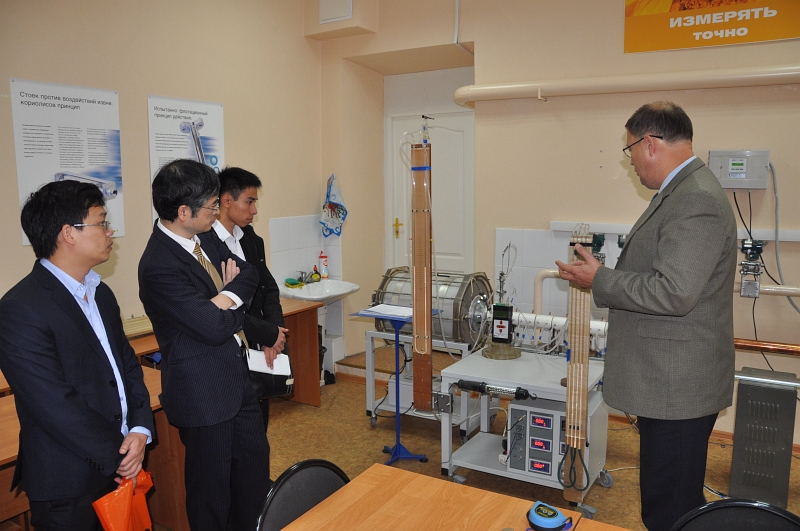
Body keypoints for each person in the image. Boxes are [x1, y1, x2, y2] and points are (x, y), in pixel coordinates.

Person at [556, 101, 737, 531]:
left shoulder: (695, 199)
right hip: (669, 383)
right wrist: (602, 277)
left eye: (630, 150)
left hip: (678, 388)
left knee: (669, 509)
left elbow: (673, 292)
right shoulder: (680, 192)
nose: (631, 161)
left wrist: (601, 279)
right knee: (672, 499)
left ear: (650, 144)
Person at [0, 180, 154, 531]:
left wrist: (140, 429)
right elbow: (54, 404)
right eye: (101, 222)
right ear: (68, 233)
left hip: (121, 459)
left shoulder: (100, 293)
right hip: (69, 480)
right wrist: (119, 453)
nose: (110, 231)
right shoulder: (20, 309)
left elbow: (126, 366)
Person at [138, 159, 270, 531]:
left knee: (253, 475)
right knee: (211, 493)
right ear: (184, 212)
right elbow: (213, 327)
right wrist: (229, 300)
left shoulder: (204, 237)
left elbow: (249, 274)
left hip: (237, 381)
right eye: (212, 206)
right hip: (203, 392)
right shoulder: (159, 265)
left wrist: (222, 299)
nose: (217, 212)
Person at [210, 166, 288, 430]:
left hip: (259, 342)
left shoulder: (251, 238)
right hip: (228, 346)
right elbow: (218, 305)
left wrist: (274, 332)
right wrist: (267, 333)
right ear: (226, 200)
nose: (254, 210)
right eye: (249, 202)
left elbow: (268, 288)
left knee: (258, 425)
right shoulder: (206, 245)